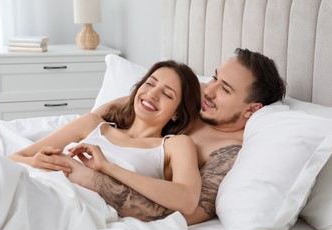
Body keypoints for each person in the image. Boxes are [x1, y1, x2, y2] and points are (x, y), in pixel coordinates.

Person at [84, 48, 286, 225]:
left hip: (97, 188)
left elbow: (185, 212)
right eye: (215, 78)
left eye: (225, 89)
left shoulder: (226, 151)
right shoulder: (199, 94)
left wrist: (92, 180)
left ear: (251, 110)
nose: (210, 90)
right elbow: (116, 110)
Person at [10, 60, 203, 216]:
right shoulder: (92, 124)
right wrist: (35, 162)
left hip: (77, 209)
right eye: (150, 83)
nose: (152, 94)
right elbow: (15, 157)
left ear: (177, 113)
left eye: (167, 94)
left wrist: (108, 167)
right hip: (42, 187)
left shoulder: (175, 144)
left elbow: (187, 200)